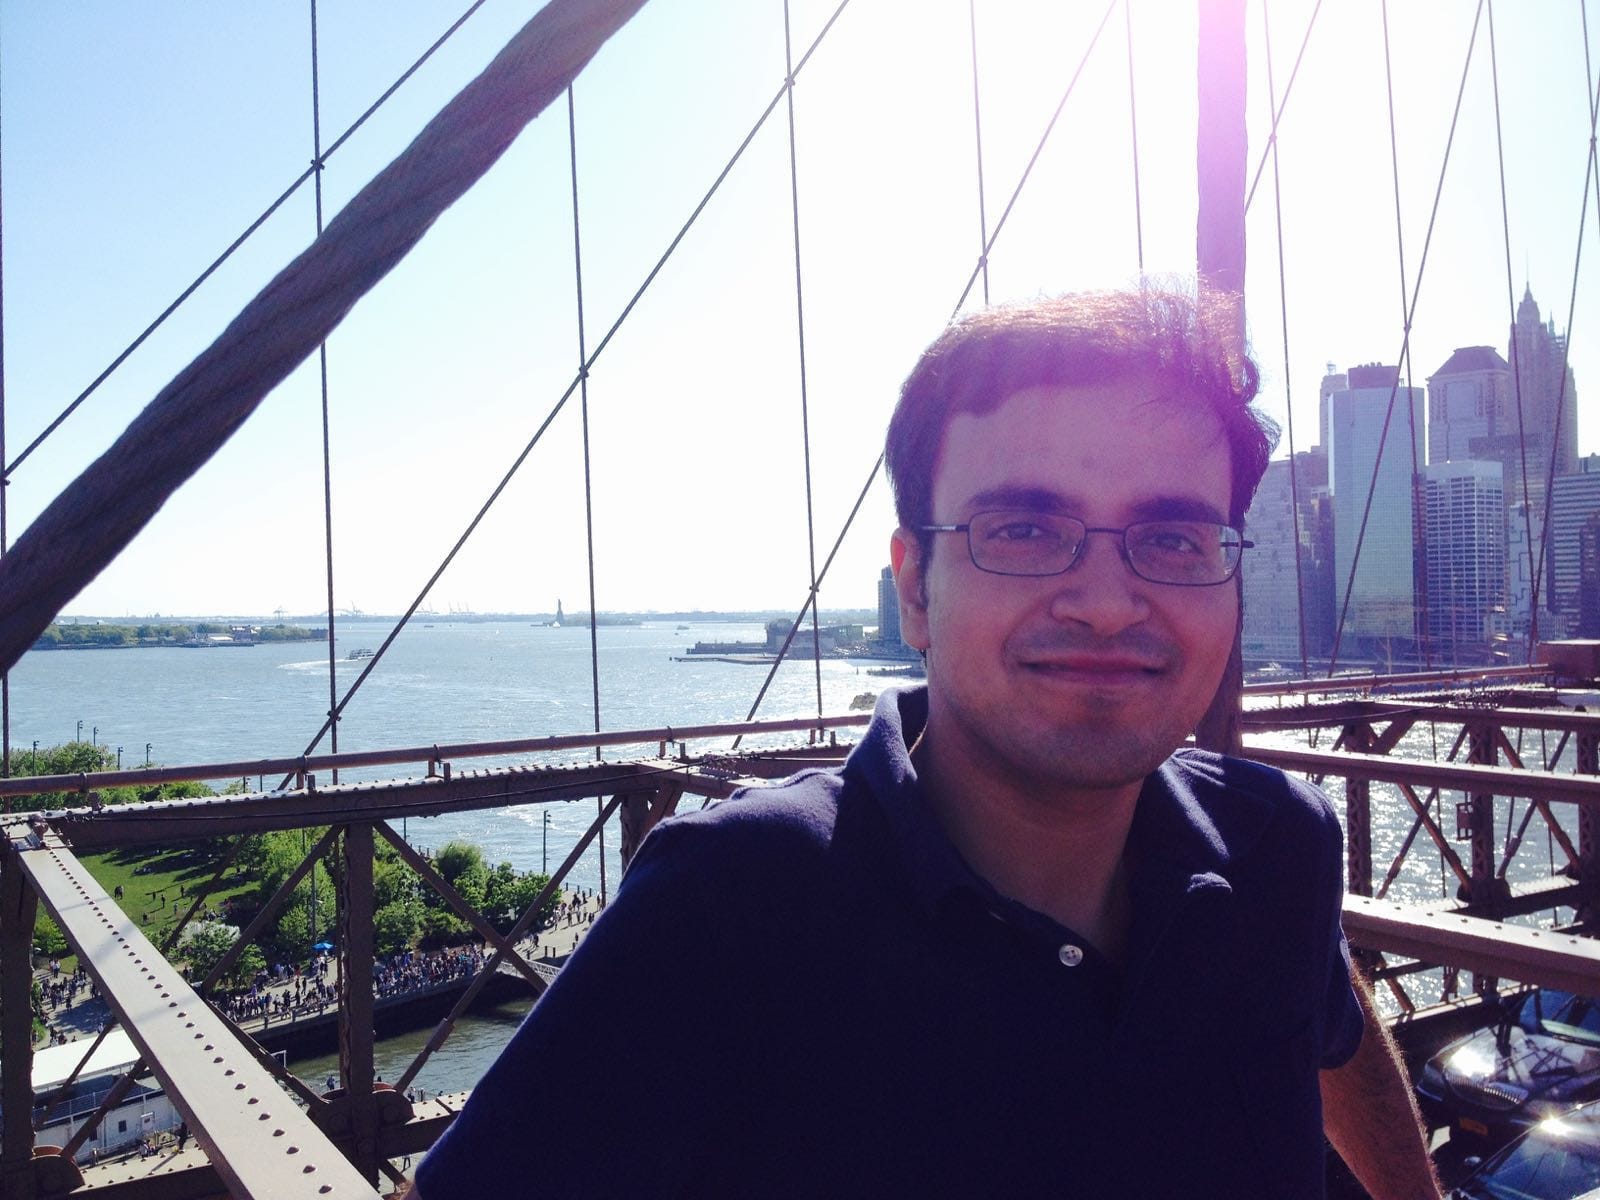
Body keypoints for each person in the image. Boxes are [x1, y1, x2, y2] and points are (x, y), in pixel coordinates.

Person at [412, 285, 1439, 1198]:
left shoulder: (1277, 844)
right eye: (1023, 531)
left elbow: (1328, 1029)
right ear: (914, 589)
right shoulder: (735, 900)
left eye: (1173, 538)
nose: (1104, 602)